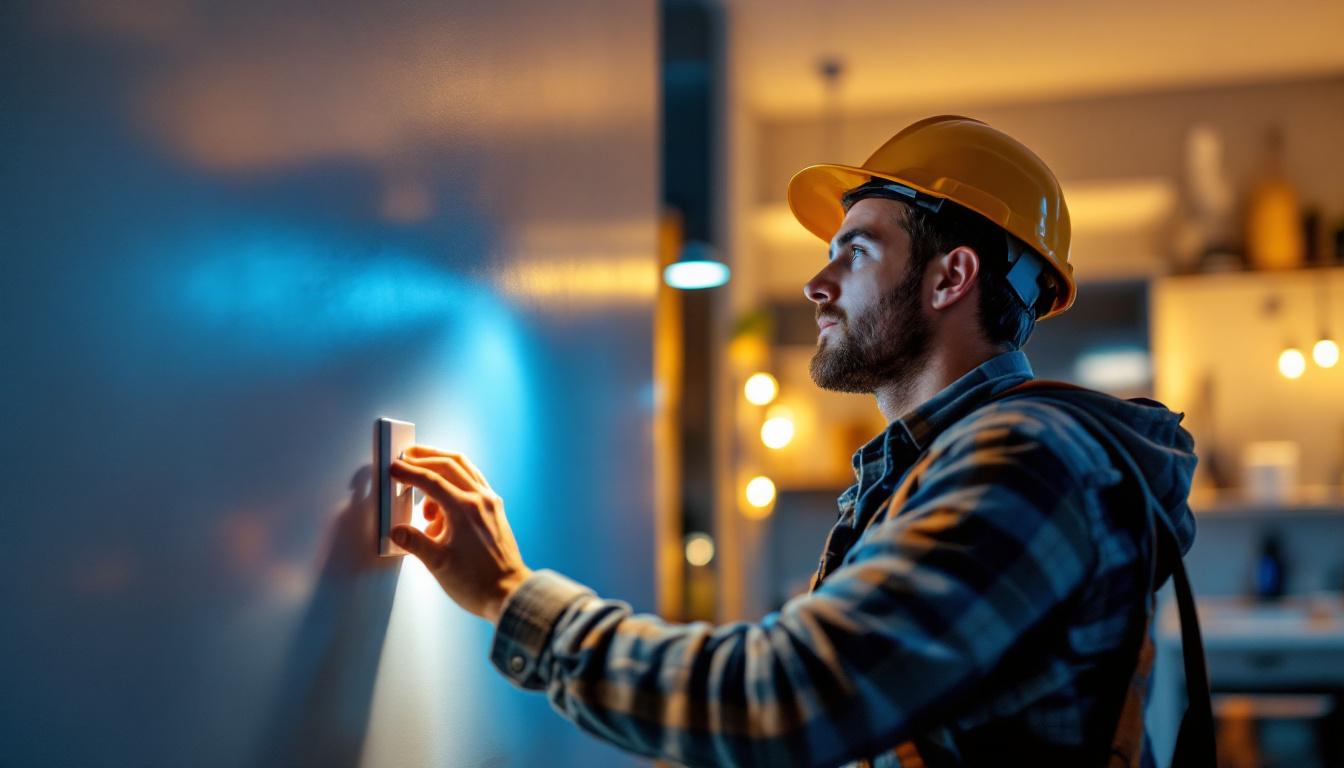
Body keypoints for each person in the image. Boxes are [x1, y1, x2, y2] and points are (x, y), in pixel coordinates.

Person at [389, 116, 1199, 767]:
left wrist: (507, 595)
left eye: (856, 250)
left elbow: (788, 702)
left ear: (951, 278)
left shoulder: (1028, 462)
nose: (818, 283)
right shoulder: (936, 462)